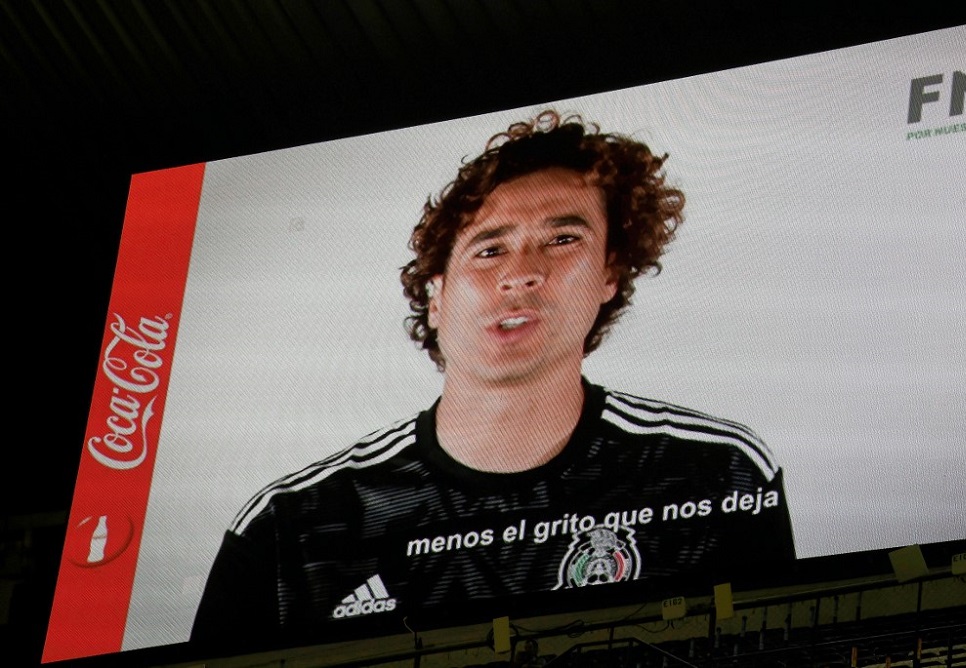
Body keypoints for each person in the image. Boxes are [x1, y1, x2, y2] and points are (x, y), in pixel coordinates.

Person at [191, 110, 795, 645]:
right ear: (436, 293)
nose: (522, 275)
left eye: (562, 239)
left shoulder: (719, 472)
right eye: (488, 249)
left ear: (611, 273)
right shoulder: (290, 526)